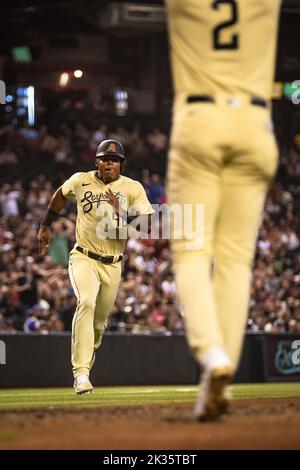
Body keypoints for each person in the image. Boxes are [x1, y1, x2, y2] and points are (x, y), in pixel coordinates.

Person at [165, 0, 282, 420]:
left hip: (200, 119)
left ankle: (212, 355)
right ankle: (219, 380)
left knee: (193, 252)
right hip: (256, 123)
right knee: (236, 262)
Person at [38, 139, 154, 394]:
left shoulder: (132, 188)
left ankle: (87, 357)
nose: (109, 163)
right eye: (105, 159)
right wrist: (46, 224)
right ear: (97, 162)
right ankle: (81, 373)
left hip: (113, 264)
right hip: (84, 256)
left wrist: (122, 213)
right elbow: (60, 195)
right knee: (86, 302)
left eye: (114, 160)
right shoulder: (81, 180)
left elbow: (148, 226)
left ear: (121, 165)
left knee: (99, 324)